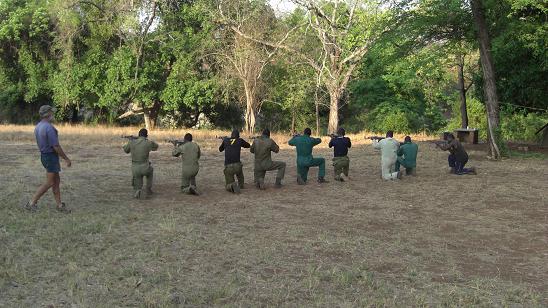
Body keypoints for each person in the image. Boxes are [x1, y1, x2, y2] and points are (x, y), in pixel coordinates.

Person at [25, 105, 72, 213]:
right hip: (50, 157)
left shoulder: (38, 126)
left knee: (56, 181)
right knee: (50, 182)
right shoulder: (49, 128)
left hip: (45, 156)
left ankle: (60, 205)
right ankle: (31, 203)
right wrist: (66, 158)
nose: (53, 115)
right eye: (52, 113)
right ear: (48, 114)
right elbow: (55, 146)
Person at [123, 128, 159, 199]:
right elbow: (156, 147)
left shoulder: (132, 142)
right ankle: (148, 189)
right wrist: (148, 140)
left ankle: (138, 190)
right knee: (150, 171)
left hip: (135, 168)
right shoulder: (148, 142)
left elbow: (126, 150)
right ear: (147, 135)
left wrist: (130, 141)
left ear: (138, 134)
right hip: (145, 167)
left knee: (137, 179)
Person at [219, 129, 250, 194]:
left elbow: (220, 149)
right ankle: (241, 185)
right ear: (238, 136)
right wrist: (239, 141)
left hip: (228, 167)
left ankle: (231, 185)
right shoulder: (240, 140)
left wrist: (224, 141)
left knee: (228, 185)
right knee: (240, 173)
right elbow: (248, 145)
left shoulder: (226, 140)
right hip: (238, 166)